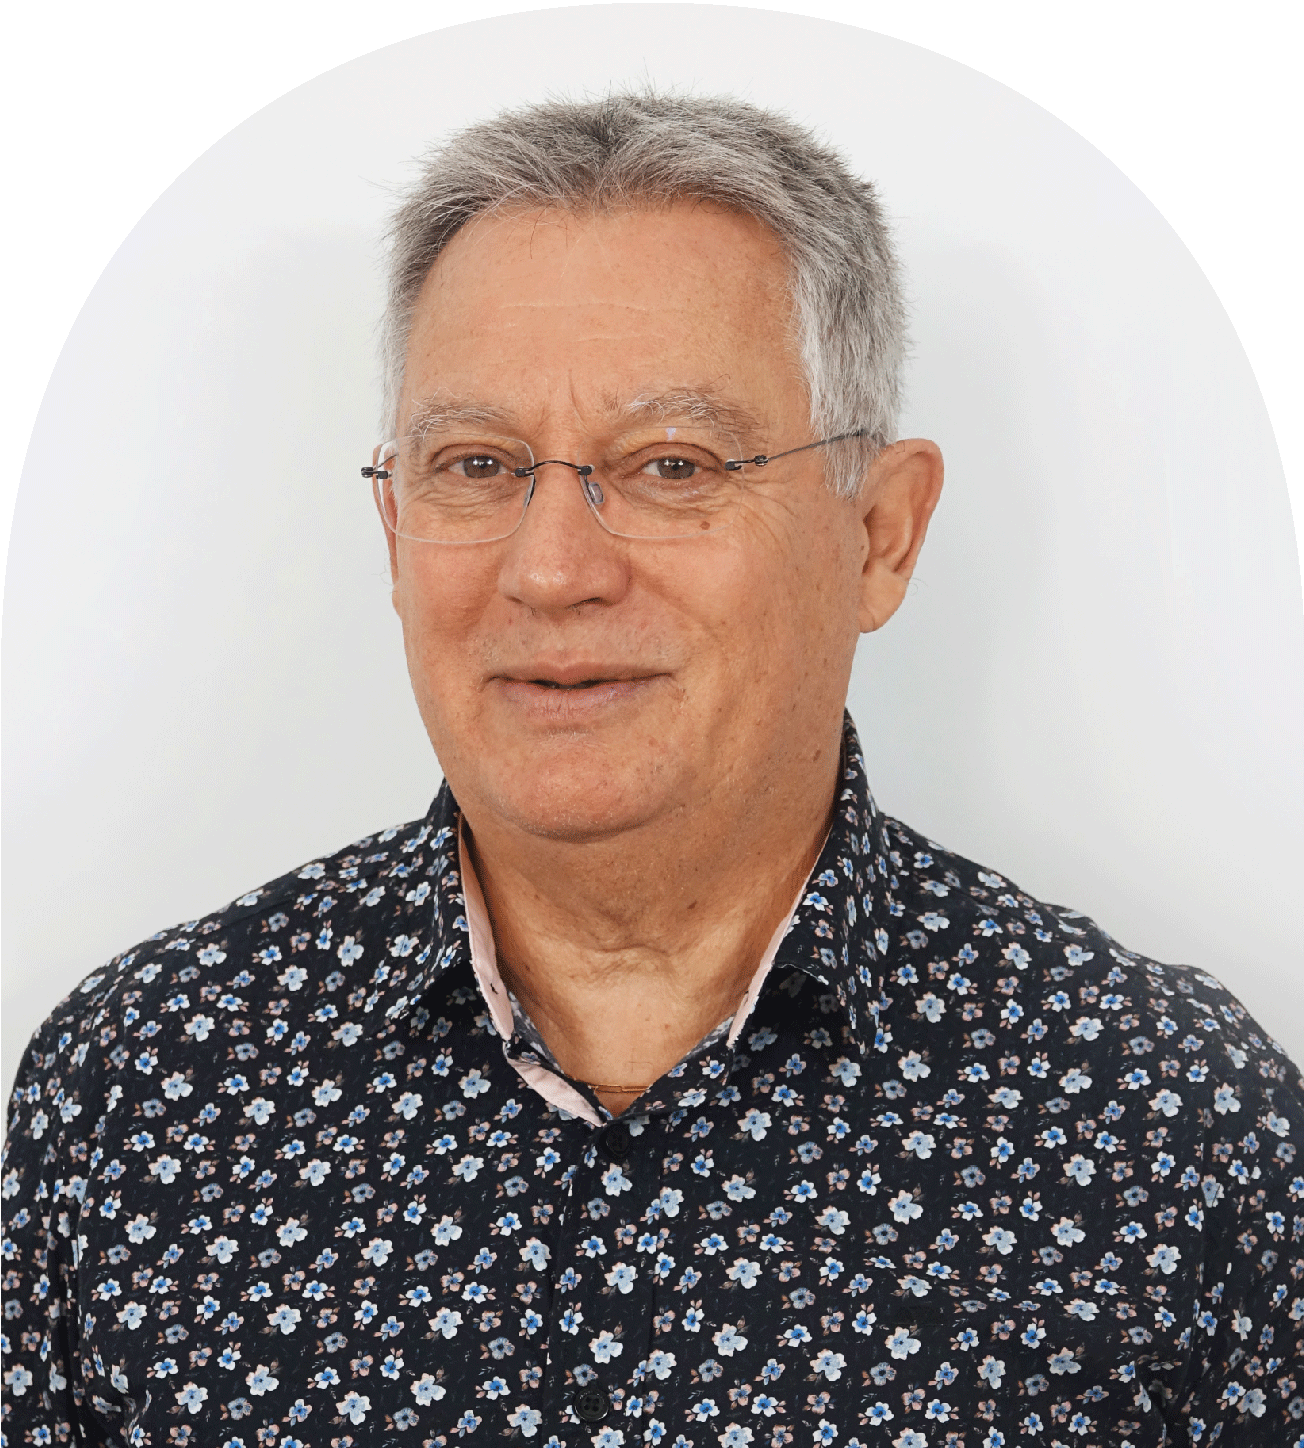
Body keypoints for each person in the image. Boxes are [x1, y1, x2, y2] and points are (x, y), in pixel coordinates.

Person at [2, 90, 1299, 1448]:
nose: (551, 569)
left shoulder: (1174, 1129)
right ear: (394, 531)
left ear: (881, 536)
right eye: (477, 465)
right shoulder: (137, 1092)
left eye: (672, 465)